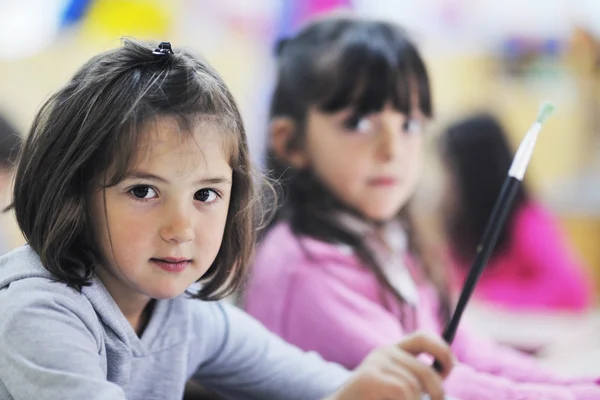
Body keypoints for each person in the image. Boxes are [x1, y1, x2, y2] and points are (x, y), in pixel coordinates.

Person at [0, 39, 456, 400]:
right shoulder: (39, 310)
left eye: (206, 194)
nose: (180, 229)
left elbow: (321, 383)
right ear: (73, 192)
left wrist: (381, 381)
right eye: (143, 191)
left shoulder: (186, 312)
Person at [244, 14, 600, 400]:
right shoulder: (305, 269)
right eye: (359, 122)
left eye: (410, 124)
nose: (392, 149)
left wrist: (580, 387)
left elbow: (463, 351)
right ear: (290, 142)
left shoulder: (384, 241)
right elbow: (429, 386)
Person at [439, 112, 594, 311]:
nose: (444, 184)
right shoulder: (456, 225)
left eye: (449, 171)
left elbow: (573, 292)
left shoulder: (526, 221)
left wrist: (487, 298)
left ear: (473, 175)